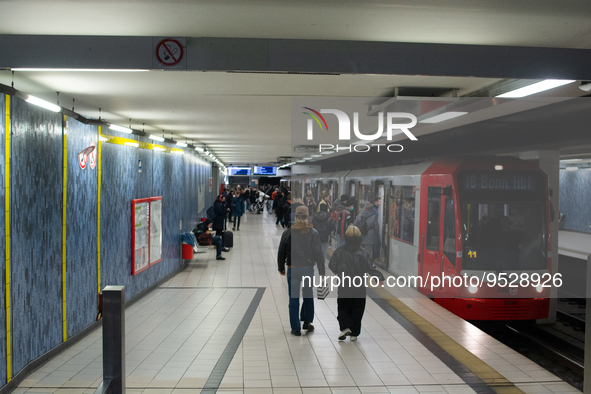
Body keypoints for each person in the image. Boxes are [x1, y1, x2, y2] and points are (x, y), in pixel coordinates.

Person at [329, 225, 385, 341]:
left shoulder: (339, 252)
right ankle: (354, 332)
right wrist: (378, 278)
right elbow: (371, 267)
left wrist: (339, 272)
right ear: (360, 238)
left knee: (343, 307)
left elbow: (332, 265)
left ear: (346, 238)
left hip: (344, 285)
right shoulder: (363, 253)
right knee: (358, 308)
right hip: (359, 286)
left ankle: (345, 327)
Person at [277, 206, 325, 336]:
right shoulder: (313, 232)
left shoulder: (288, 232)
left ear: (296, 217)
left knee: (294, 298)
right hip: (308, 269)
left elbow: (281, 251)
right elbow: (318, 253)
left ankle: (295, 328)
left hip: (293, 269)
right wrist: (322, 271)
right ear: (307, 216)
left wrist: (281, 267)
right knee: (308, 295)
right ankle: (307, 322)